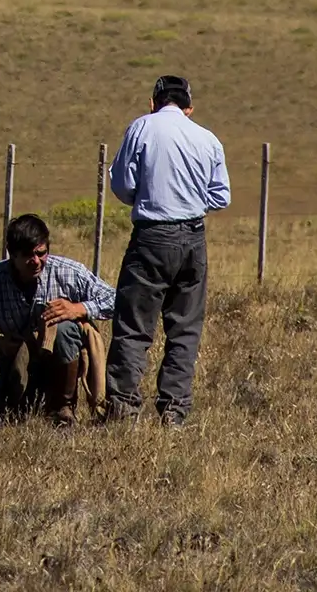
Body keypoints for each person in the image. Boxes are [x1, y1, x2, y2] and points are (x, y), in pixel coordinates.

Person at [103, 74, 229, 427]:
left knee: (133, 328)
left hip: (152, 237)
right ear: (189, 107)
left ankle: (124, 412)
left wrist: (151, 195)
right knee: (185, 331)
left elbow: (122, 185)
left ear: (153, 102)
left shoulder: (141, 128)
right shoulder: (207, 139)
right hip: (193, 239)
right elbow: (222, 196)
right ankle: (174, 413)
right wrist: (189, 199)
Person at [0, 213, 115, 425]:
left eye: (41, 253)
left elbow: (116, 300)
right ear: (12, 254)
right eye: (27, 255)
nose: (35, 261)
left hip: (61, 362)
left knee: (63, 329)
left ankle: (63, 407)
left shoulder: (68, 272)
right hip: (20, 363)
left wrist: (78, 308)